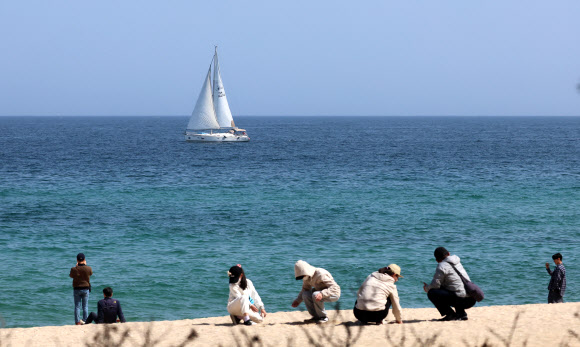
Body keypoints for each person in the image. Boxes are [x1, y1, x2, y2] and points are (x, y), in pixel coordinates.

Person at [423, 247, 476, 321]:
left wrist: (427, 288)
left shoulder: (441, 266)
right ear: (448, 253)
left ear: (437, 260)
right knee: (455, 287)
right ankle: (461, 314)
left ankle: (450, 315)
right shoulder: (457, 261)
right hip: (471, 299)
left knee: (432, 293)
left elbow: (435, 285)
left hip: (462, 300)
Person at [69, 253, 93, 325]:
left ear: (77, 260)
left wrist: (76, 266)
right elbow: (90, 273)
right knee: (85, 306)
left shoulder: (74, 269)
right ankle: (85, 320)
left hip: (77, 289)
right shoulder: (88, 268)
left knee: (77, 306)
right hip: (86, 288)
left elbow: (71, 276)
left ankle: (77, 322)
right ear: (84, 260)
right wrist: (85, 266)